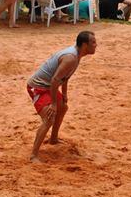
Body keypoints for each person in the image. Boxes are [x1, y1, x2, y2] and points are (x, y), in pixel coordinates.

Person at [26, 31, 97, 162]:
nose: (96, 45)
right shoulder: (71, 57)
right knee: (49, 117)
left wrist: (64, 94)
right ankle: (33, 155)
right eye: (93, 42)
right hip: (38, 87)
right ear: (85, 45)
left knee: (63, 107)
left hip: (48, 86)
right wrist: (53, 104)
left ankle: (53, 139)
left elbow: (64, 77)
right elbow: (55, 80)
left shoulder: (77, 55)